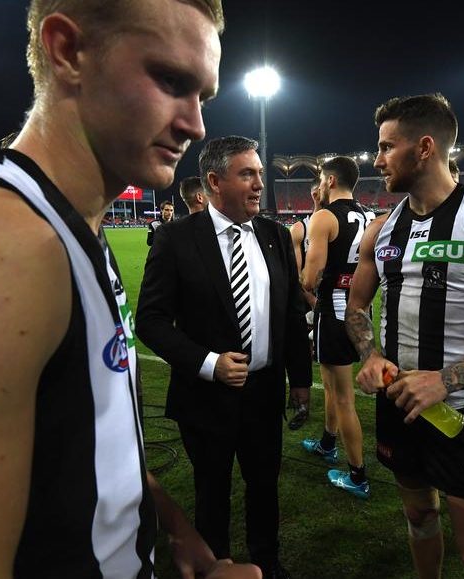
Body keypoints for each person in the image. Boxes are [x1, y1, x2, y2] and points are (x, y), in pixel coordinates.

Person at [0, 1, 261, 579]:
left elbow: (85, 436)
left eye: (203, 96)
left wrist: (171, 523)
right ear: (67, 51)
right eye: (170, 81)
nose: (196, 125)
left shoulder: (71, 222)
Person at [346, 93, 464, 579]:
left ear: (424, 148)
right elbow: (356, 307)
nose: (377, 160)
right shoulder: (382, 229)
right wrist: (370, 355)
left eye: (386, 147)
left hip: (460, 415)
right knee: (419, 517)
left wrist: (445, 380)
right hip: (397, 406)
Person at [136, 135, 312, 579]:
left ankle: (266, 561)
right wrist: (209, 363)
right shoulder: (176, 238)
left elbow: (292, 314)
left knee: (264, 485)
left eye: (260, 174)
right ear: (214, 182)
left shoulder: (275, 236)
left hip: (265, 392)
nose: (259, 184)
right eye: (247, 174)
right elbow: (151, 321)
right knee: (211, 489)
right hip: (205, 396)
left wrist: (300, 381)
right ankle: (215, 565)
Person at [300, 155, 375, 498]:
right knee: (331, 386)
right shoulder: (367, 215)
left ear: (330, 181)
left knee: (343, 397)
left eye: (320, 179)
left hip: (333, 311)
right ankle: (328, 443)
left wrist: (318, 212)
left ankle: (358, 475)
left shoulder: (324, 217)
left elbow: (309, 278)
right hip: (359, 308)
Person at [285, 178, 323, 430]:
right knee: (301, 347)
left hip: (331, 301)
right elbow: (295, 273)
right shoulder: (300, 228)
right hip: (307, 300)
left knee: (326, 356)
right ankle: (301, 402)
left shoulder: (342, 222)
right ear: (316, 194)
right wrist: (312, 300)